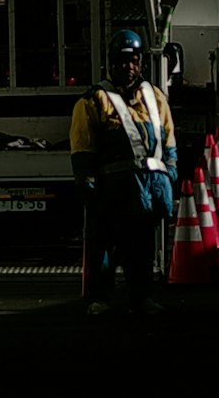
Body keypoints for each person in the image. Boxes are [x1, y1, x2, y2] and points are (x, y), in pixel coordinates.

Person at [70, 27, 178, 314]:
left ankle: (140, 296)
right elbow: (83, 144)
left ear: (141, 62)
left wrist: (170, 171)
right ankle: (99, 298)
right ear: (111, 63)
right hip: (111, 191)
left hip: (147, 189)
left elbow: (168, 139)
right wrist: (86, 178)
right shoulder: (94, 100)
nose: (128, 67)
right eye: (121, 61)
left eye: (133, 61)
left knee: (140, 248)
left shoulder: (155, 96)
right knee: (103, 247)